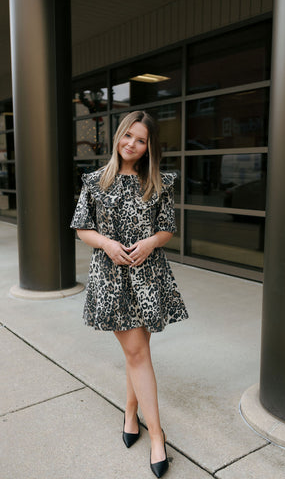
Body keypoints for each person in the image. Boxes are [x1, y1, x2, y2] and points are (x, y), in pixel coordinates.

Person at [70, 110, 188, 478]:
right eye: (128, 136)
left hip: (149, 276)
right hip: (111, 277)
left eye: (141, 140)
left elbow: (167, 228)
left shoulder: (159, 183)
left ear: (149, 146)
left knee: (137, 354)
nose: (132, 145)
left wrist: (152, 242)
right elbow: (81, 228)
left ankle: (129, 413)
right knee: (136, 353)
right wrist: (106, 244)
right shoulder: (95, 181)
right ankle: (158, 436)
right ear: (118, 136)